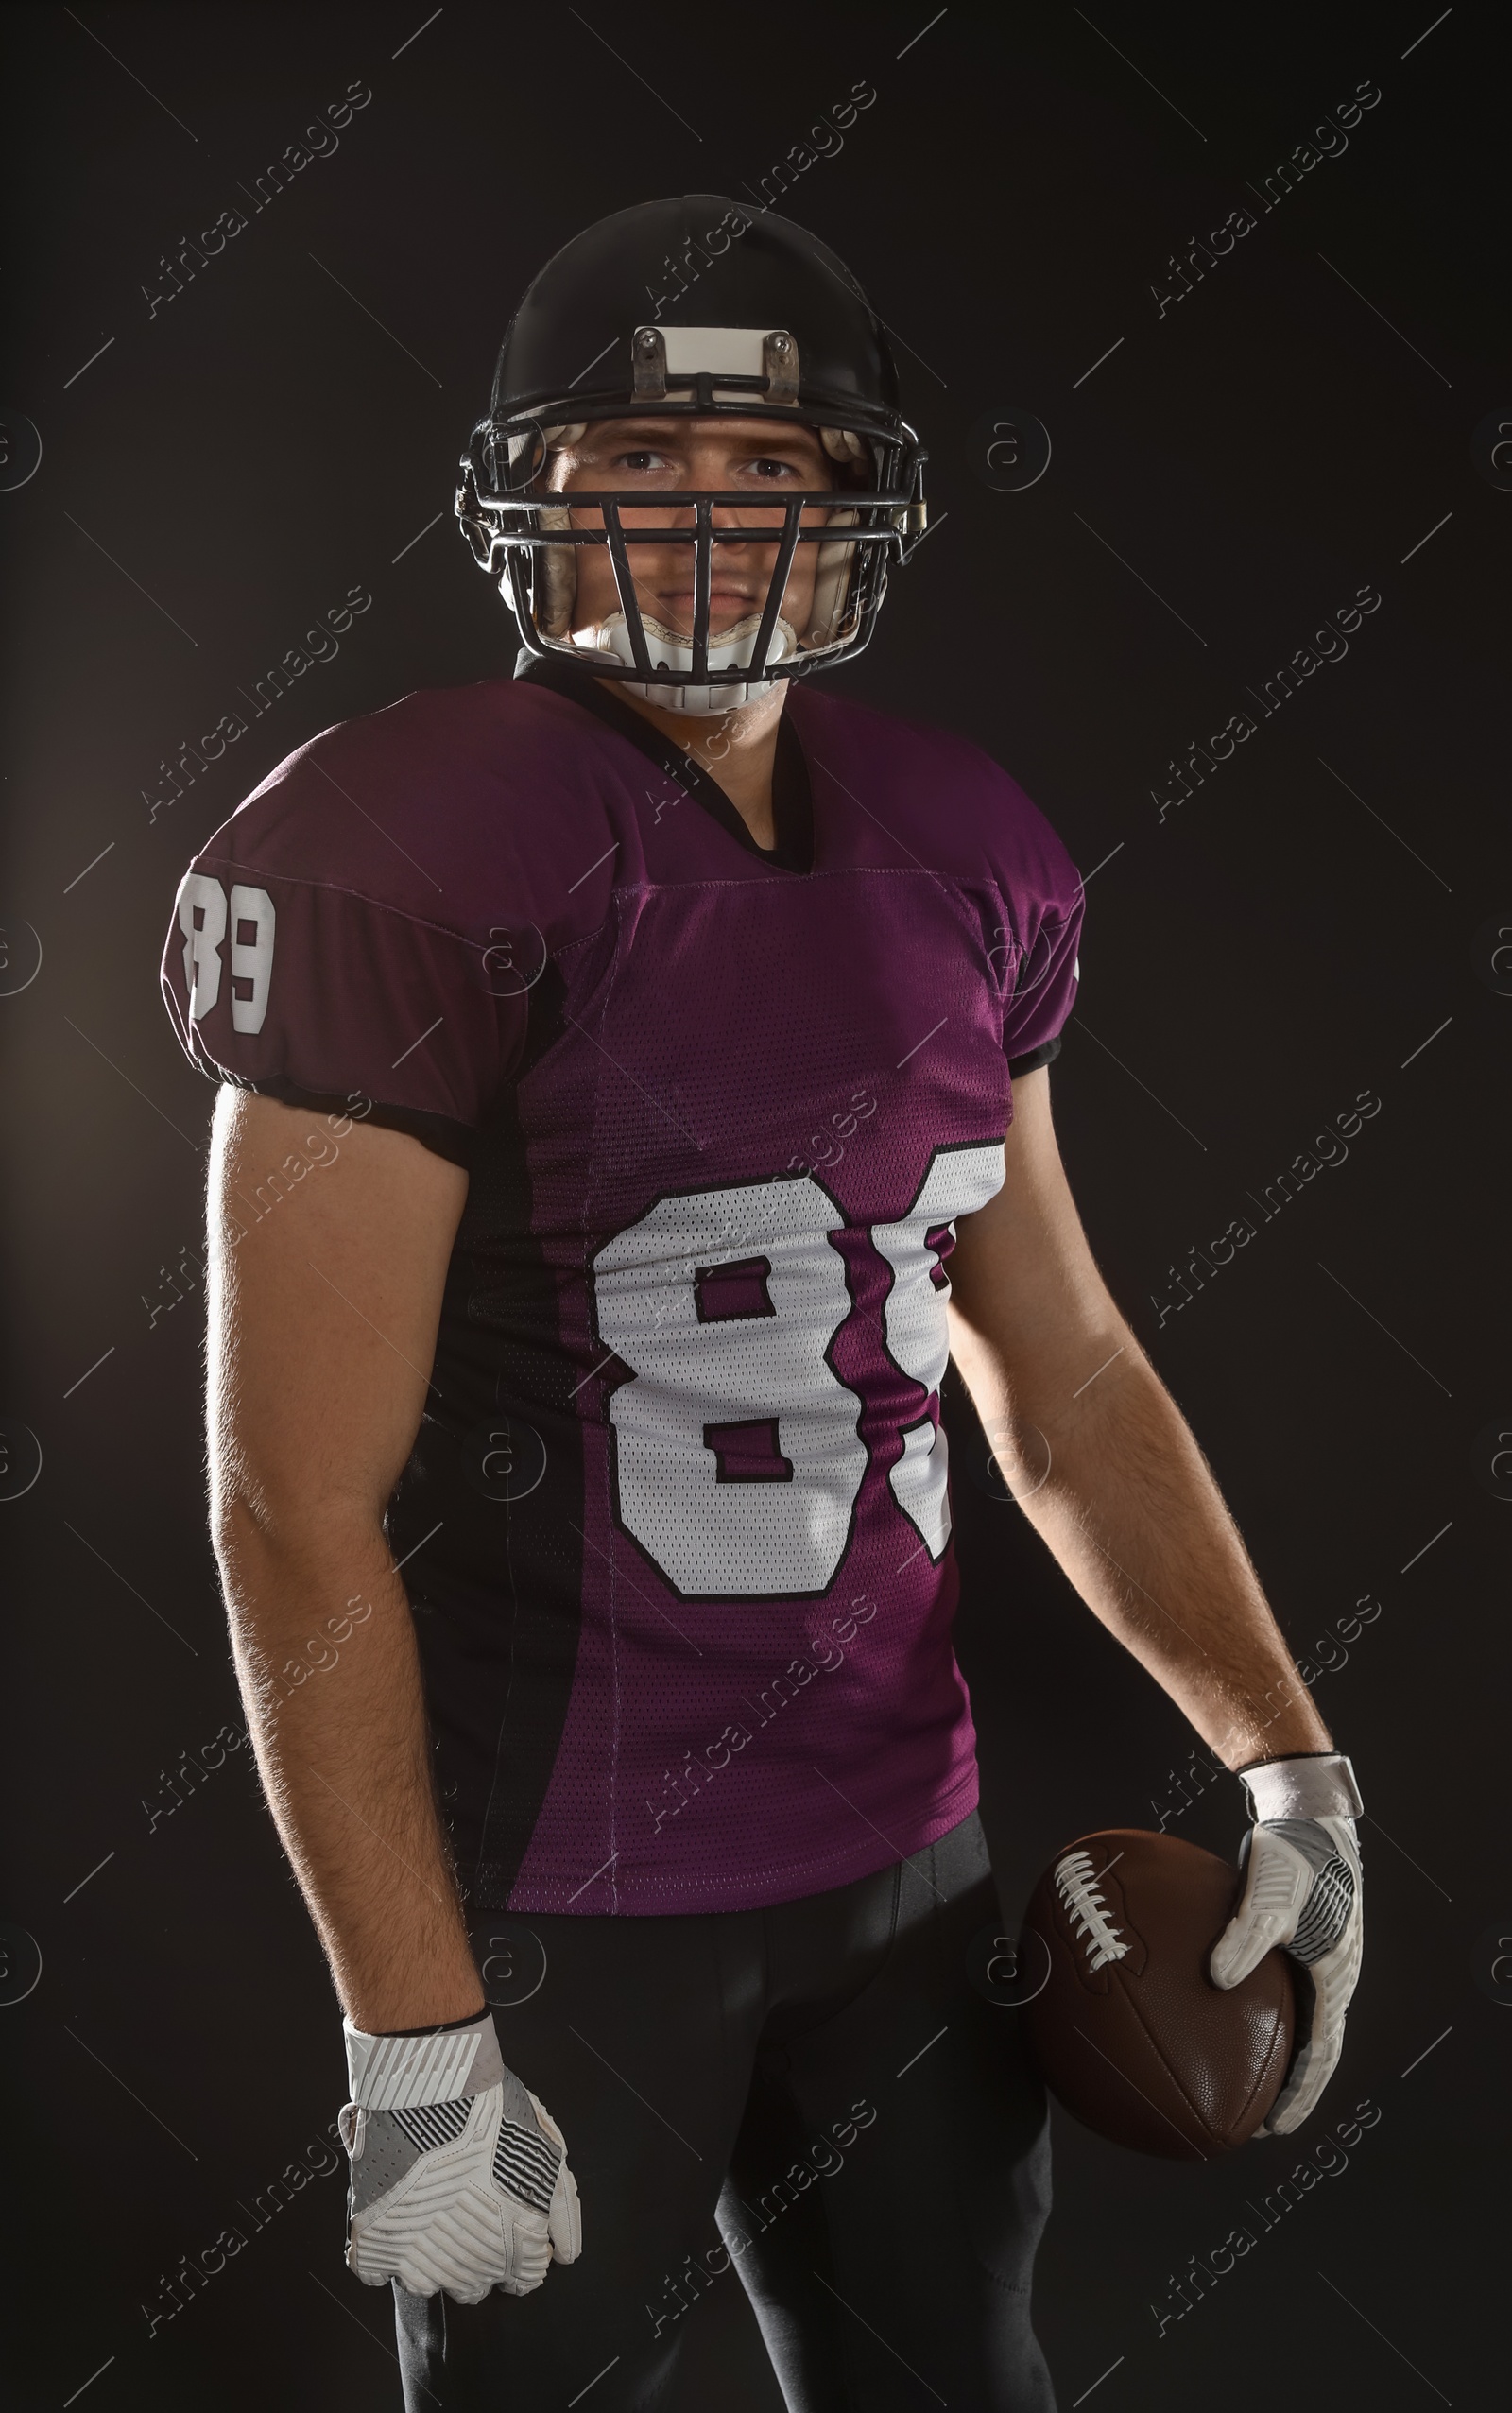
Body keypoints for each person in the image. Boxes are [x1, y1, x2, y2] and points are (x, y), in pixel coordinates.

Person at [161, 196, 1364, 2410]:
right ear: (531, 486)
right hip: (551, 1891)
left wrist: (1283, 1750)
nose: (698, 521)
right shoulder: (387, 842)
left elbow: (1066, 1365)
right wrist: (410, 2030)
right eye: (637, 460)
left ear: (855, 510)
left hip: (905, 1857)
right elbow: (283, 1503)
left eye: (760, 473)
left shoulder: (965, 843)